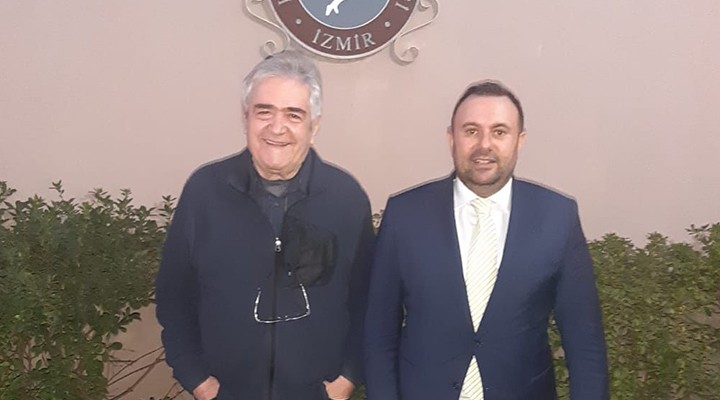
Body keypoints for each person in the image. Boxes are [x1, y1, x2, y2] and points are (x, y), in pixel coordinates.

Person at [364, 81, 608, 399]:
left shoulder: (557, 217)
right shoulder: (405, 214)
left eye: (499, 132)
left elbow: (584, 342)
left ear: (520, 140)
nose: (484, 145)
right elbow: (379, 333)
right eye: (471, 131)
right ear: (451, 138)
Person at [155, 50, 374, 400]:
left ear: (314, 127)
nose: (276, 127)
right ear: (246, 118)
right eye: (264, 111)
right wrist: (199, 381)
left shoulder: (345, 199)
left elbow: (367, 301)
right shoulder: (205, 192)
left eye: (293, 114)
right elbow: (174, 297)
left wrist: (346, 379)